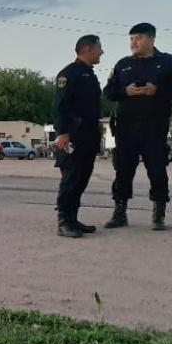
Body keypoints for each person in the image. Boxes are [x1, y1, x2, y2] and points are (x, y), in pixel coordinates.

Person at [103, 23, 172, 230]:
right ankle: (120, 212)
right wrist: (126, 91)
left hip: (155, 126)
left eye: (138, 38)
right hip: (127, 126)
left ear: (151, 39)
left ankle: (159, 214)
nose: (133, 43)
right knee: (123, 169)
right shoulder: (123, 64)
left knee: (157, 169)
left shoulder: (168, 62)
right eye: (131, 39)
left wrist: (157, 90)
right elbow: (108, 91)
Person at [53, 35, 104, 238]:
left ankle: (73, 219)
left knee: (82, 177)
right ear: (88, 49)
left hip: (88, 135)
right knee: (71, 178)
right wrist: (63, 133)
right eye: (100, 48)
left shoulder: (89, 74)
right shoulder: (69, 74)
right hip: (73, 135)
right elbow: (60, 106)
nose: (102, 52)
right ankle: (64, 221)